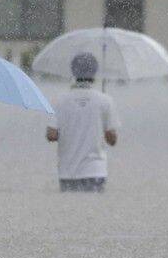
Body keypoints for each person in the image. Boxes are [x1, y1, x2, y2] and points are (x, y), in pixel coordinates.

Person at [45, 53, 119, 192]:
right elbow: (112, 140)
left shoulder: (60, 101)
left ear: (73, 71)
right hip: (96, 171)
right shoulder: (105, 101)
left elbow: (52, 135)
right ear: (95, 73)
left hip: (67, 172)